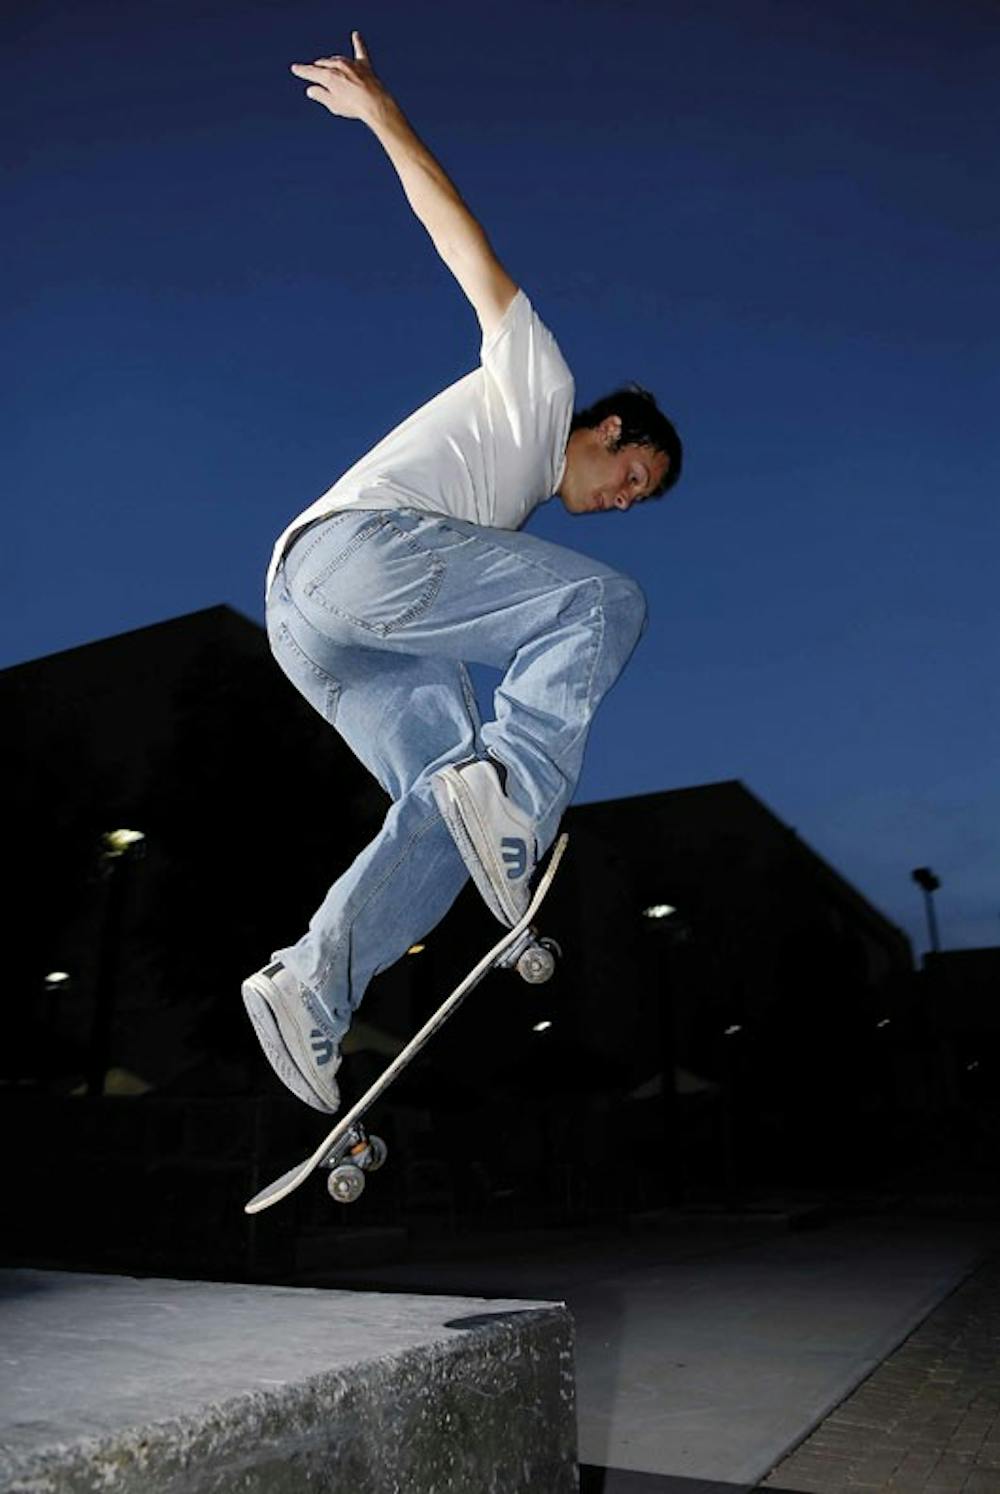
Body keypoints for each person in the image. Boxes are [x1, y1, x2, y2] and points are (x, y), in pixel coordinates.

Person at [242, 31, 683, 1114]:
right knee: (600, 601)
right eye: (634, 471)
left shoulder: (498, 511)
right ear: (609, 426)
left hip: (321, 629)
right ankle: (521, 792)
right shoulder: (539, 387)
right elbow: (462, 243)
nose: (626, 498)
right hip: (356, 556)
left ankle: (308, 985)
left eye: (638, 501)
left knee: (443, 815)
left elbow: (464, 584)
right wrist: (382, 116)